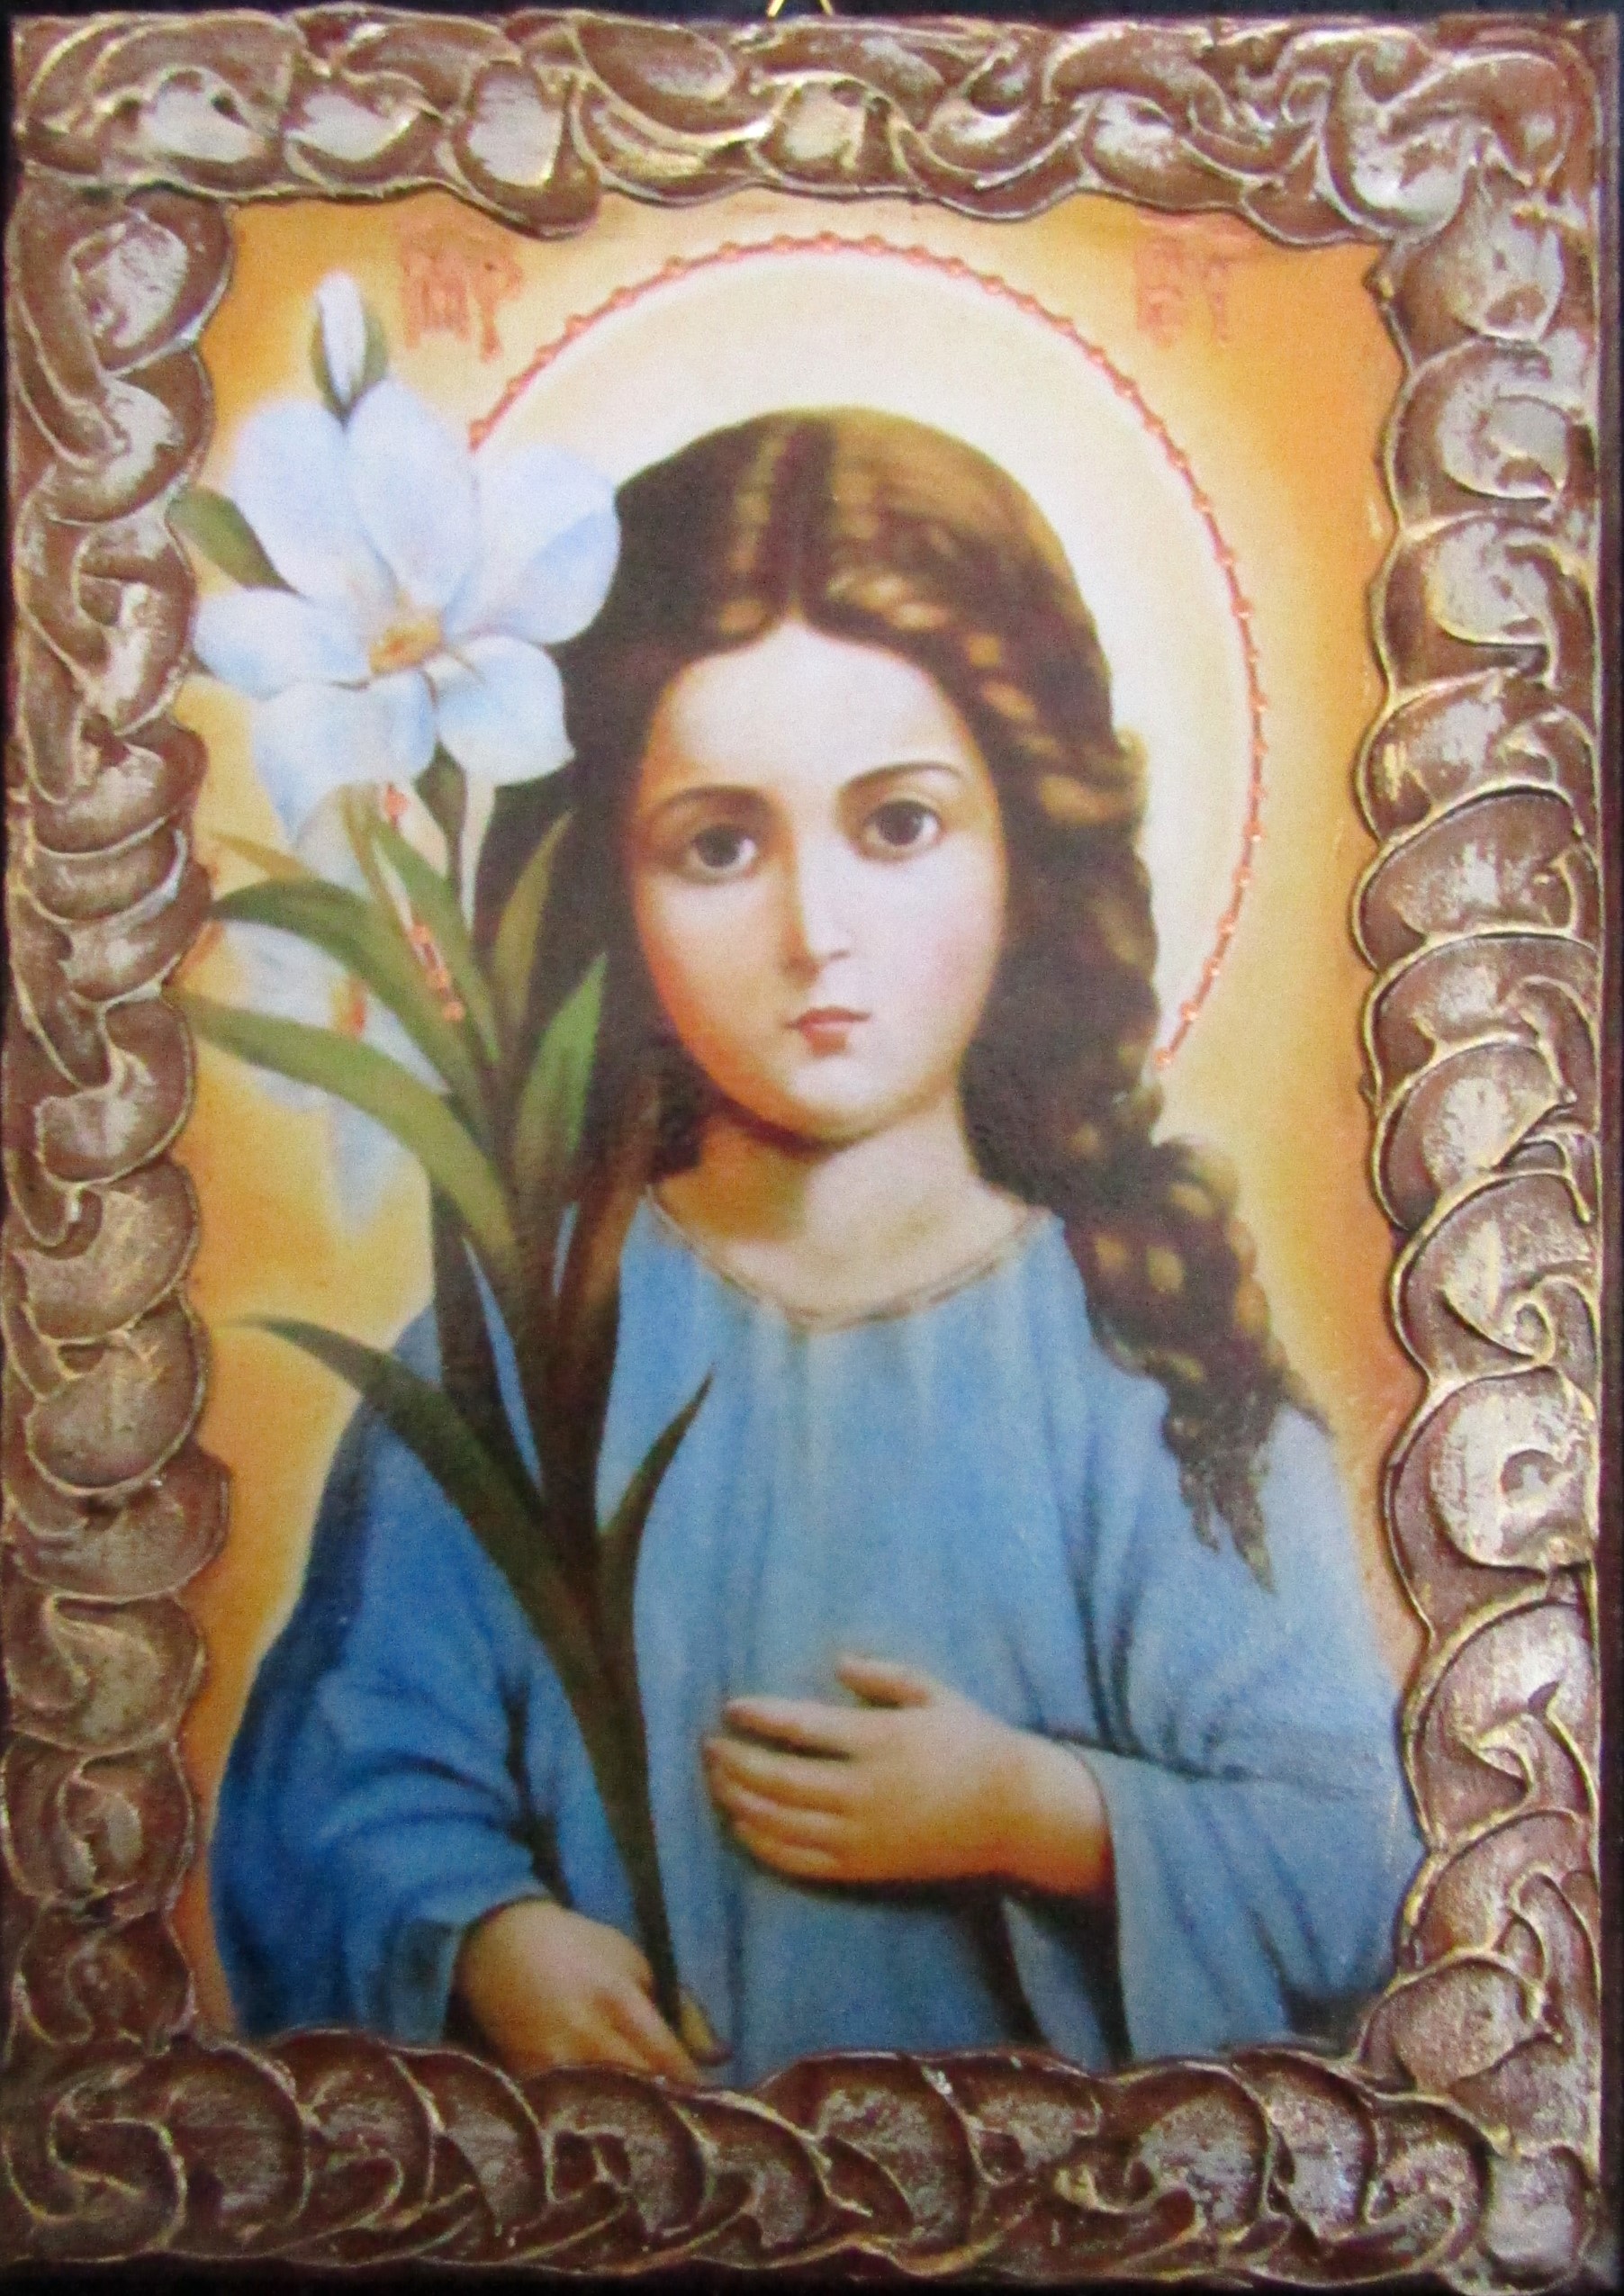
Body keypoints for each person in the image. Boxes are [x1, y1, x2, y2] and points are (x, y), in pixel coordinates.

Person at [212, 410, 1421, 2086]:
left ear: (1025, 847)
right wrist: (486, 1935)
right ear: (612, 887)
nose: (814, 933)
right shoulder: (521, 1354)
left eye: (898, 825)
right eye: (720, 844)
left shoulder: (1147, 1359)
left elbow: (1354, 1859)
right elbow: (328, 1792)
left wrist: (1042, 1813)